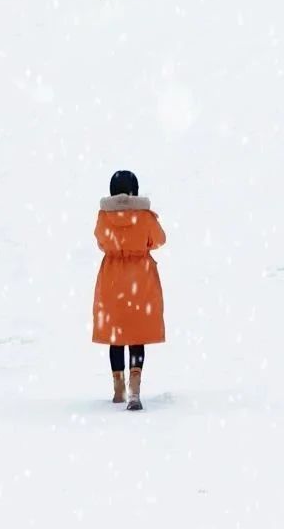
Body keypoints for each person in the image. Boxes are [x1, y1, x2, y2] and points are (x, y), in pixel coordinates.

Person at [92, 169, 166, 411]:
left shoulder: (104, 217)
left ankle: (118, 389)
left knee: (116, 336)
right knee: (136, 335)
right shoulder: (144, 216)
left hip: (112, 279)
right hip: (140, 280)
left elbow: (101, 242)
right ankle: (135, 391)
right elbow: (159, 239)